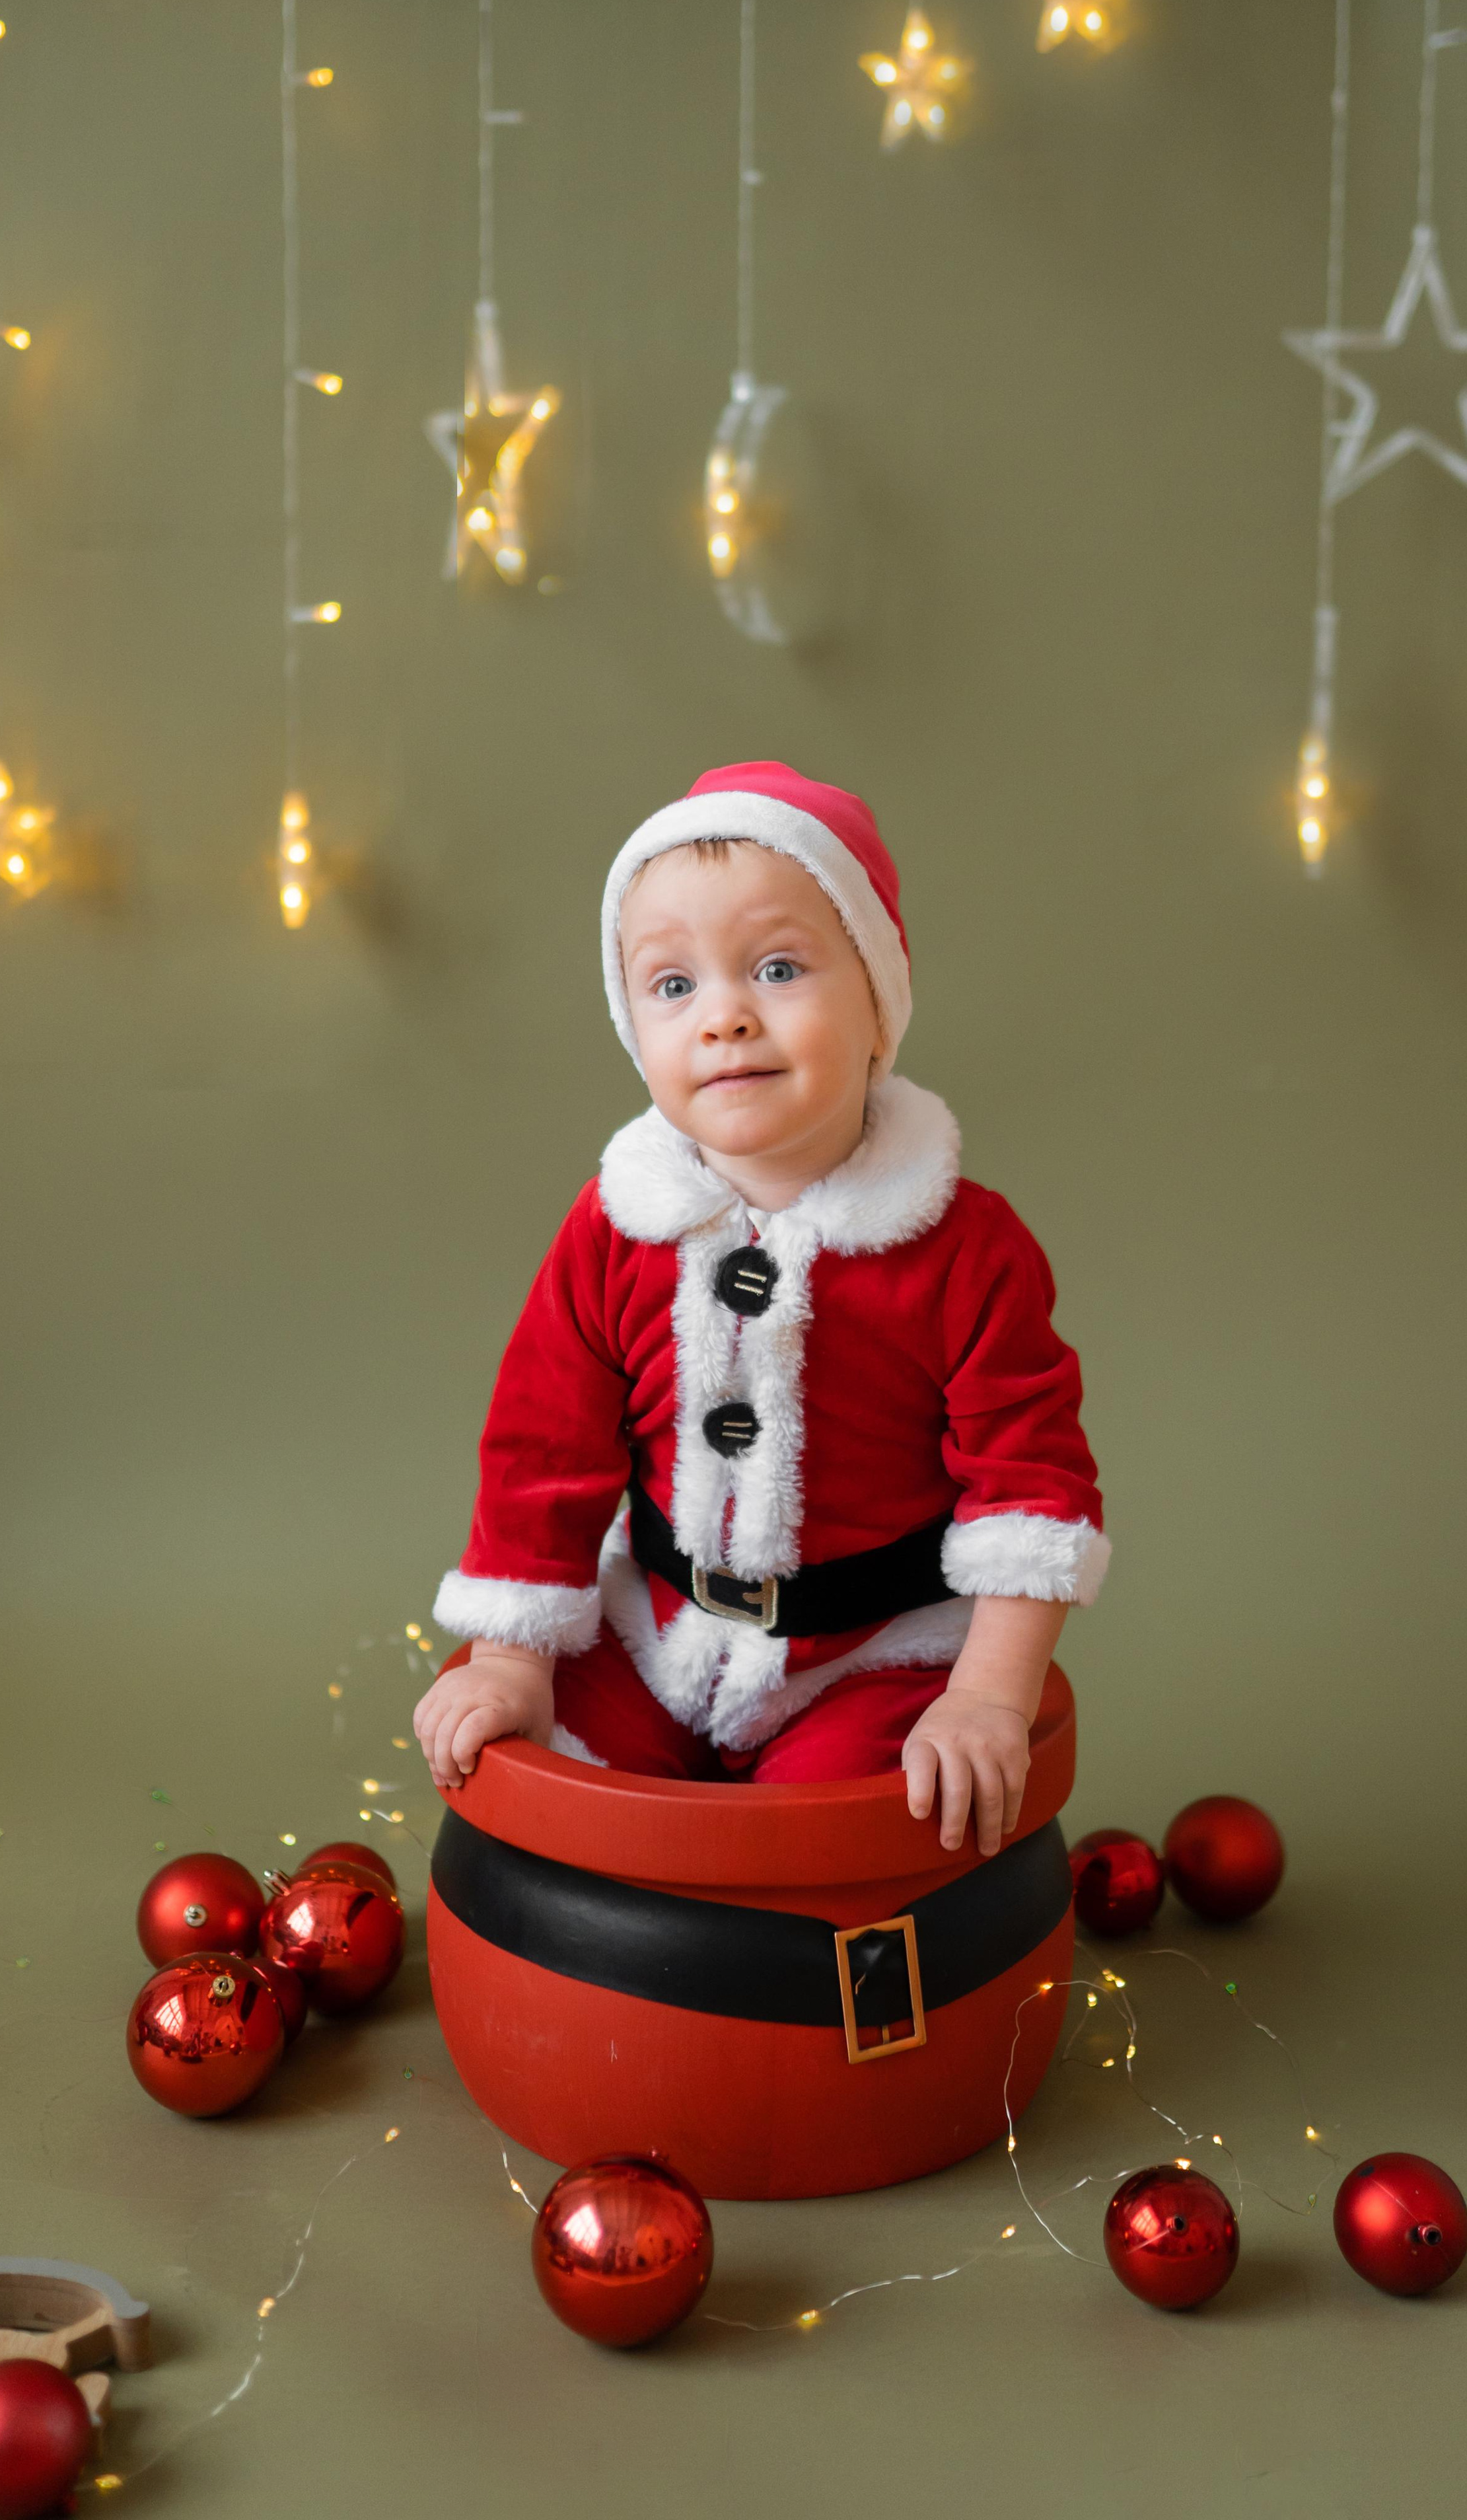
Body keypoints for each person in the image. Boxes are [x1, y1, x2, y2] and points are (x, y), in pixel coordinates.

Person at [414, 762, 1107, 1857]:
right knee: (541, 1785)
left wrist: (987, 1698)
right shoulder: (613, 1230)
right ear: (633, 1025)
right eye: (673, 986)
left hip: (868, 1656)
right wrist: (510, 1656)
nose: (726, 1017)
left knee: (849, 1831)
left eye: (777, 969)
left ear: (878, 1006)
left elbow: (1031, 1495)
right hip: (659, 1629)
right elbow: (539, 1452)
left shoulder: (966, 1248)